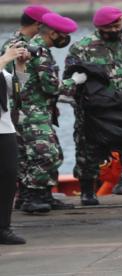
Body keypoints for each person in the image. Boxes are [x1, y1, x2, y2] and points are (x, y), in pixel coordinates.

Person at [62, 6, 122, 206]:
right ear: (100, 28)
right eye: (110, 28)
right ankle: (88, 192)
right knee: (88, 148)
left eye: (118, 25)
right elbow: (70, 78)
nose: (116, 30)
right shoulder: (83, 47)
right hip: (95, 108)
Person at [18, 13, 79, 213]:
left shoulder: (34, 47)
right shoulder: (39, 52)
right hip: (31, 111)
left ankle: (44, 195)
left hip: (38, 109)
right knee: (43, 154)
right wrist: (74, 82)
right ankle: (32, 198)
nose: (65, 39)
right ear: (53, 33)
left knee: (54, 154)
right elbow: (51, 87)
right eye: (63, 35)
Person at [0, 5, 54, 210]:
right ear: (38, 24)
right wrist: (7, 58)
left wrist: (21, 66)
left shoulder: (26, 45)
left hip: (13, 115)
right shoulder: (13, 45)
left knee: (18, 160)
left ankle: (27, 199)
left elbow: (14, 83)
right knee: (42, 154)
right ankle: (30, 196)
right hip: (22, 111)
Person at [0, 45, 28, 244]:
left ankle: (4, 228)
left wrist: (19, 65)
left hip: (4, 128)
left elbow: (16, 90)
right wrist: (5, 58)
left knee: (8, 177)